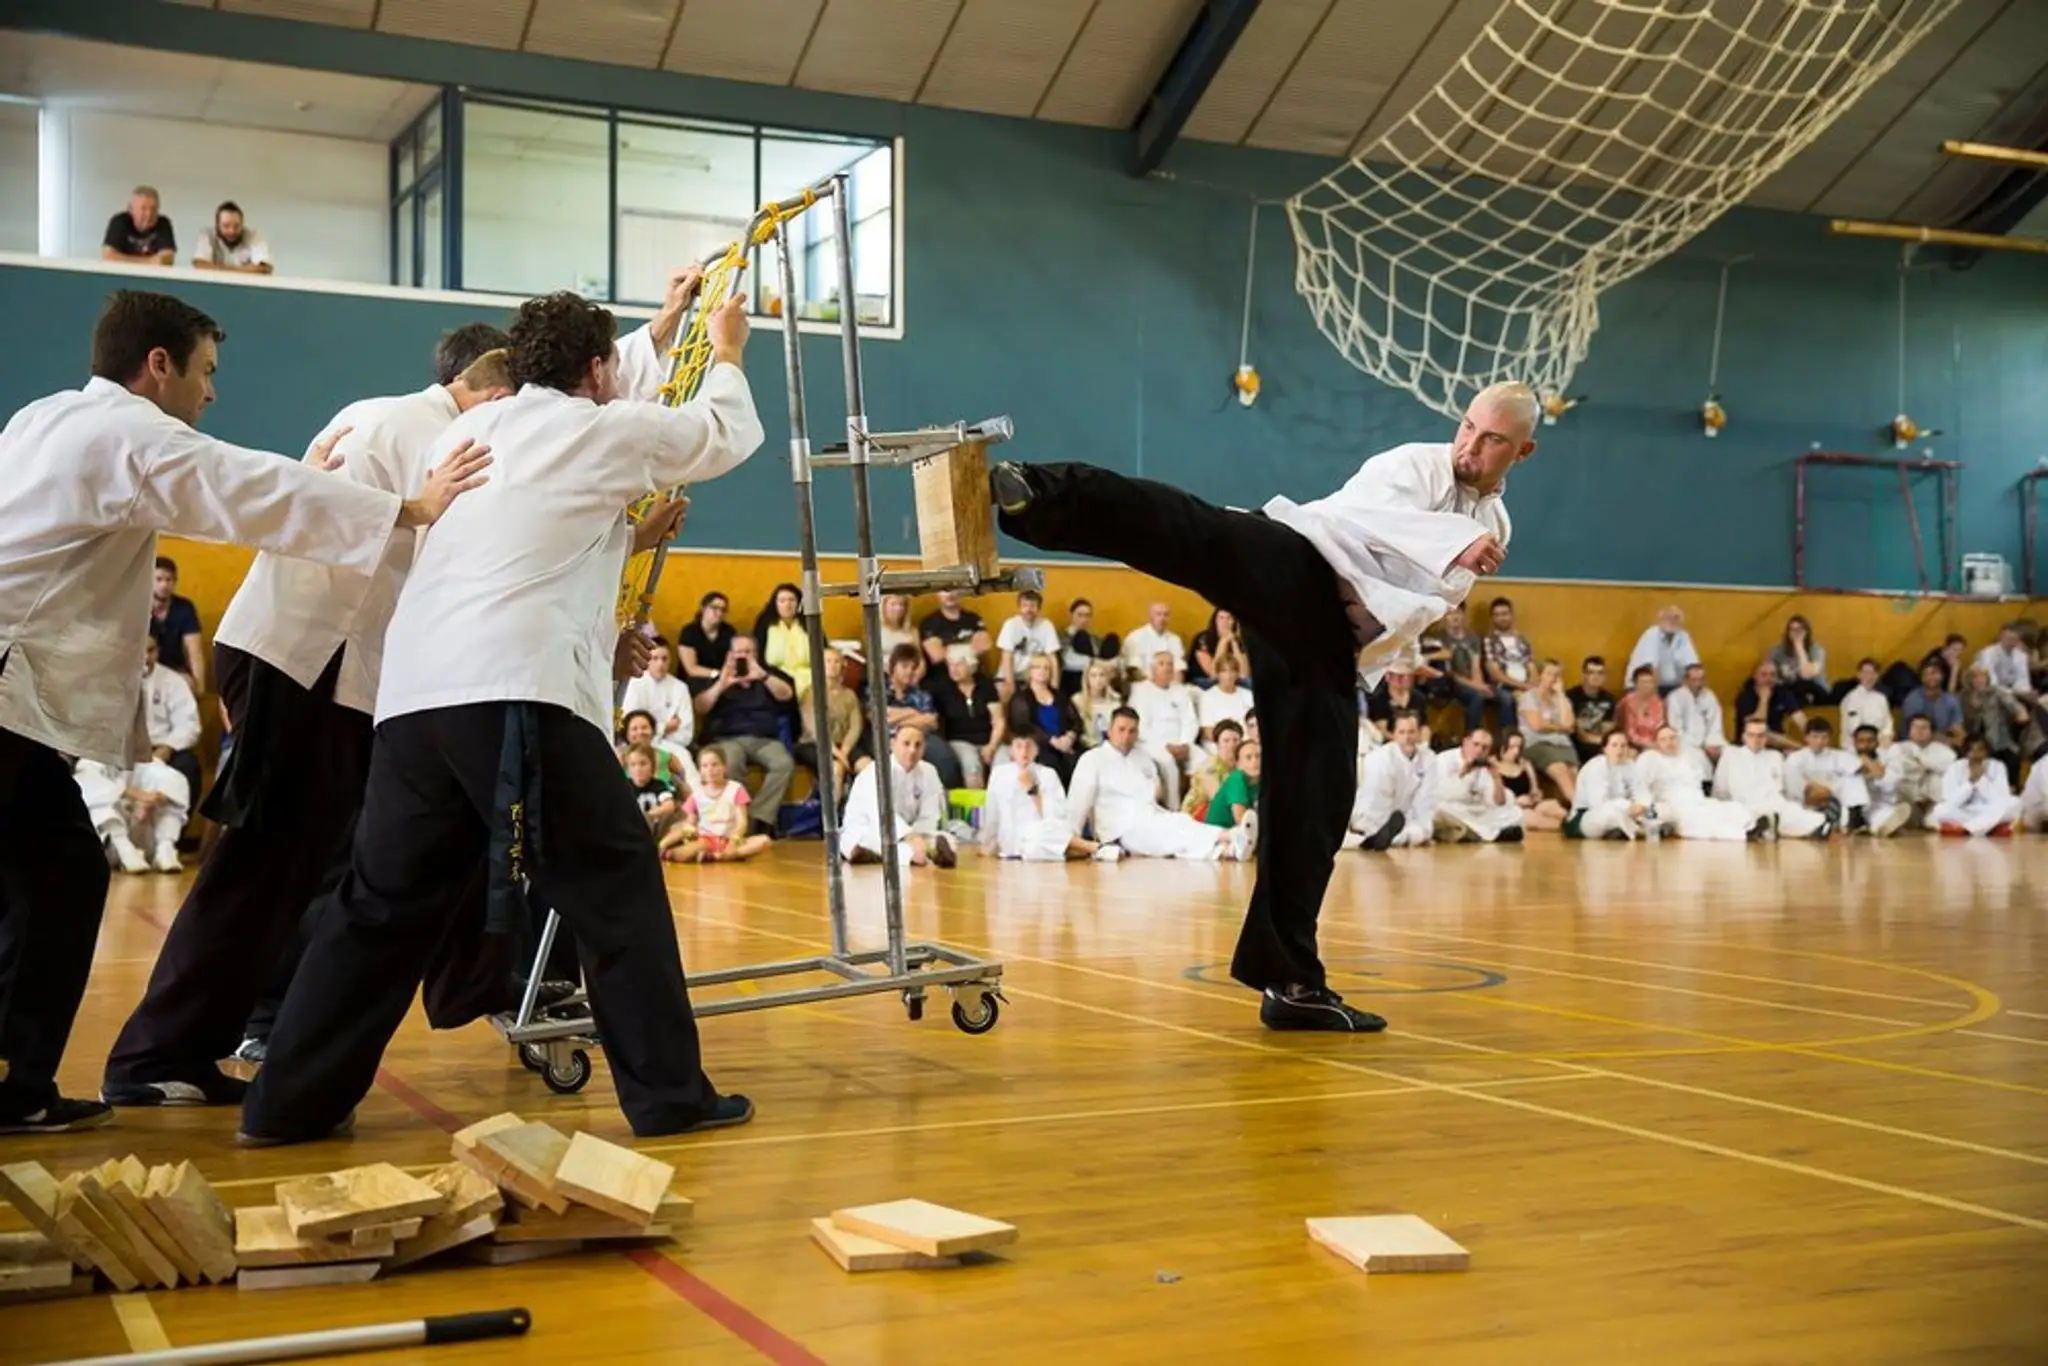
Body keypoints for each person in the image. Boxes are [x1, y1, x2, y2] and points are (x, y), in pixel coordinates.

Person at [238, 285, 764, 1145]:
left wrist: (661, 332)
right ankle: (669, 1097)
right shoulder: (596, 431)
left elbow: (552, 494)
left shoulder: (469, 430)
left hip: (414, 700)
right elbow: (718, 434)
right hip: (510, 690)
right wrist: (729, 347)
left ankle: (286, 1105)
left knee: (381, 907)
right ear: (596, 371)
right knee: (614, 878)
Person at [0, 289, 464, 1133]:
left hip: (14, 690)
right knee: (57, 876)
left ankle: (22, 1082)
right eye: (205, 372)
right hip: (9, 681)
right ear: (159, 366)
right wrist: (408, 507)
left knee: (57, 874)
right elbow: (236, 484)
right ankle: (54, 1073)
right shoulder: (128, 434)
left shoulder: (46, 417)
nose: (210, 392)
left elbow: (236, 485)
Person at [990, 383, 1524, 1031]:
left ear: (1521, 451)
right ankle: (1037, 491)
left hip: (1327, 642)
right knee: (1192, 529)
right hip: (1296, 559)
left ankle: (1291, 980)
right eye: (1468, 426)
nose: (1470, 444)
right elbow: (1366, 520)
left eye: (1491, 438)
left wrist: (1363, 659)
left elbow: (1408, 609)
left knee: (1319, 800)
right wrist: (1450, 542)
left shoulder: (1494, 527)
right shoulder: (1416, 465)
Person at [100, 332, 537, 1105]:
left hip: (329, 674)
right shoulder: (397, 423)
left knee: (305, 869)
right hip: (299, 662)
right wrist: (417, 507)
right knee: (257, 870)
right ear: (497, 399)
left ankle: (218, 1037)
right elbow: (317, 508)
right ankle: (156, 1056)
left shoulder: (427, 431)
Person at [1066, 708, 1248, 861]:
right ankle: (1232, 835)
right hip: (1120, 830)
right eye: (1121, 729)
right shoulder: (1092, 759)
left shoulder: (1143, 758)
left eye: (1132, 731)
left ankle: (1230, 850)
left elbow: (1154, 794)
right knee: (1170, 832)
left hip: (1151, 815)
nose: (1126, 736)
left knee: (1180, 823)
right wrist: (1074, 841)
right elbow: (1078, 802)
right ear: (1110, 730)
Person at [839, 723, 954, 868]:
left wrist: (917, 836)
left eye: (918, 745)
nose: (912, 750)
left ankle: (916, 852)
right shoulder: (875, 771)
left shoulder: (929, 771)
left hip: (913, 831)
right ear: (893, 745)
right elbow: (880, 815)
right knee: (864, 841)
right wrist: (909, 836)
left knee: (947, 839)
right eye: (906, 744)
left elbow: (930, 814)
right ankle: (914, 855)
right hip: (872, 828)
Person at [980, 730, 1102, 862]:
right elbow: (992, 813)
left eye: (1029, 746)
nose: (1024, 752)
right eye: (1019, 746)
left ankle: (1084, 849)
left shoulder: (1048, 774)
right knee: (1036, 838)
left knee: (1040, 836)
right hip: (1013, 840)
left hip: (1043, 834)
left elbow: (1055, 817)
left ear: (1036, 750)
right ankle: (1093, 848)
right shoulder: (1000, 774)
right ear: (1011, 750)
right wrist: (988, 843)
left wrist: (1033, 791)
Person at [1636, 725, 1763, 841]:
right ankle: (1743, 834)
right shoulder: (1650, 759)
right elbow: (1641, 787)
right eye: (1663, 740)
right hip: (1672, 805)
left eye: (1672, 738)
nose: (1669, 742)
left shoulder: (1687, 758)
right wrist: (1645, 806)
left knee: (1730, 808)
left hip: (1698, 800)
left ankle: (1754, 824)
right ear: (1657, 743)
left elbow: (1697, 783)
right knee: (1701, 819)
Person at [1713, 717, 1827, 839]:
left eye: (1760, 736)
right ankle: (1761, 827)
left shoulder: (1775, 757)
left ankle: (1817, 828)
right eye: (1751, 735)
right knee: (1736, 814)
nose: (1756, 740)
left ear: (1766, 738)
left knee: (1804, 815)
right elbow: (1720, 790)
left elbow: (1786, 789)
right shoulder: (1731, 755)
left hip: (1775, 806)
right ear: (1744, 737)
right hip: (1744, 806)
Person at [662, 747, 772, 863]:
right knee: (679, 832)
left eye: (715, 765)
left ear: (724, 767)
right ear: (700, 771)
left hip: (730, 838)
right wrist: (689, 836)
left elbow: (742, 822)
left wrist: (734, 840)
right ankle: (662, 848)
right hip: (705, 839)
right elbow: (690, 822)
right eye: (705, 766)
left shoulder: (736, 789)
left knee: (765, 840)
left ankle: (722, 856)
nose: (710, 769)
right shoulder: (697, 793)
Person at [1351, 710, 1435, 850]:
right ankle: (1375, 839)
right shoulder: (1380, 759)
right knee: (1369, 830)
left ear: (1420, 733)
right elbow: (1375, 805)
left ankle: (1395, 838)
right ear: (1393, 734)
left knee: (1422, 830)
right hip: (1372, 819)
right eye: (1402, 732)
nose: (1407, 737)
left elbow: (1426, 801)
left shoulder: (1429, 759)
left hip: (1404, 821)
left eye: (1412, 732)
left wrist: (1418, 831)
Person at [1429, 728, 1523, 844]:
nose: (1479, 750)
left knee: (1515, 812)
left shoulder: (1485, 765)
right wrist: (1463, 773)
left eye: (1485, 747)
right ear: (1465, 742)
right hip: (1453, 809)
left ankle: (1472, 833)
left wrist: (1496, 778)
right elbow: (1441, 795)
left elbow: (1498, 803)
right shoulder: (1444, 760)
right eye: (1476, 745)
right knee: (1441, 811)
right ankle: (1490, 834)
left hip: (1475, 811)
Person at [1929, 737, 2021, 836]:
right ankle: (1989, 828)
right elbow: (1951, 801)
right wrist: (1970, 782)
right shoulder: (1955, 767)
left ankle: (1967, 829)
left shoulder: (1997, 766)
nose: (1976, 754)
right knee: (1939, 810)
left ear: (1987, 751)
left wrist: (1982, 781)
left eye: (1980, 750)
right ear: (1965, 752)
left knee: (2014, 803)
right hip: (1964, 812)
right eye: (1971, 750)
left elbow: (2001, 798)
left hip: (1989, 810)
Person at [1564, 731, 1646, 840]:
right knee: (1613, 815)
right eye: (1614, 745)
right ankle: (1635, 830)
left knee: (1654, 810)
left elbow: (1639, 791)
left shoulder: (1631, 765)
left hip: (1624, 811)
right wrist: (1627, 806)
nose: (1619, 750)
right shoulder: (1596, 767)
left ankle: (1624, 829)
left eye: (1623, 746)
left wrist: (1639, 805)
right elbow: (1598, 804)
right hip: (1589, 815)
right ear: (1605, 749)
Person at [1625, 605, 1699, 694]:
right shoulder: (1651, 634)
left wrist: (1689, 694)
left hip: (1672, 687)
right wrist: (1656, 700)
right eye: (1668, 617)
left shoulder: (1683, 636)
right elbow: (1651, 669)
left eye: (1676, 618)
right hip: (1642, 686)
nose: (1672, 621)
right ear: (1660, 619)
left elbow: (1692, 666)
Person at [192, 201, 273, 275]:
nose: (232, 231)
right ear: (217, 226)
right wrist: (246, 269)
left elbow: (264, 268)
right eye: (226, 226)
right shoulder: (207, 235)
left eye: (237, 226)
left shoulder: (253, 236)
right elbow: (200, 264)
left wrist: (217, 267)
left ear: (242, 224)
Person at [103, 186, 175, 266]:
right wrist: (150, 261)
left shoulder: (163, 223)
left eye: (153, 209)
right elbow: (108, 256)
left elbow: (167, 259)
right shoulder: (119, 221)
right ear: (130, 209)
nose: (149, 214)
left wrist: (122, 258)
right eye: (143, 208)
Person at [1617, 663, 1666, 750]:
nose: (1647, 685)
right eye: (1643, 682)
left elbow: (1660, 726)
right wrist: (1648, 744)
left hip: (1656, 743)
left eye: (1650, 682)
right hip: (1633, 745)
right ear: (1635, 684)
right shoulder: (1627, 702)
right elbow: (1629, 733)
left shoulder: (1658, 702)